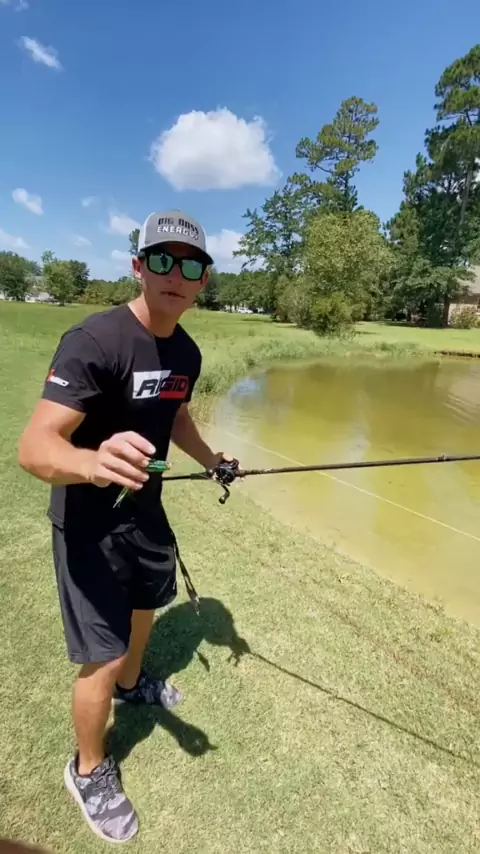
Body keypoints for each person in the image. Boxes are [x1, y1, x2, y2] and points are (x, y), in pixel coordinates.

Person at [17, 209, 240, 845]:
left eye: (190, 266)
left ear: (203, 281)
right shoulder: (95, 340)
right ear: (138, 266)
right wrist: (91, 462)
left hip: (145, 510)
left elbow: (177, 417)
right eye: (162, 260)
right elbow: (34, 447)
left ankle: (134, 685)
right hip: (87, 522)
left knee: (147, 606)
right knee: (102, 651)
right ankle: (88, 769)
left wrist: (213, 460)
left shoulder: (186, 351)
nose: (175, 275)